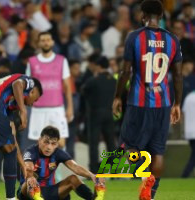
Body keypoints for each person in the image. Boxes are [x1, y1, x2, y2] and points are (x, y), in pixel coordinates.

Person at [112, 1, 183, 200]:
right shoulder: (173, 39)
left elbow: (125, 71)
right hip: (163, 103)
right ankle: (149, 192)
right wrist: (177, 103)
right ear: (161, 15)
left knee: (127, 146)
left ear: (142, 15)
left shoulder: (135, 37)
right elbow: (177, 76)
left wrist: (118, 96)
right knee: (158, 151)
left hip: (138, 102)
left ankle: (131, 174)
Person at [17, 126, 105, 200]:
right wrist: (30, 177)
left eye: (53, 143)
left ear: (57, 144)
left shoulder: (58, 153)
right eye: (46, 142)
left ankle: (93, 198)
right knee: (31, 180)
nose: (49, 147)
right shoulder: (30, 152)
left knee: (73, 179)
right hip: (28, 193)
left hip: (50, 191)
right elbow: (28, 168)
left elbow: (75, 167)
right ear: (39, 140)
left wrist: (92, 175)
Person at [27, 31, 74, 149]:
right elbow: (28, 86)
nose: (46, 42)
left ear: (52, 42)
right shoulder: (32, 62)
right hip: (38, 110)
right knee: (41, 145)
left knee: (60, 143)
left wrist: (70, 107)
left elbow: (67, 86)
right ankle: (44, 168)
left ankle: (56, 167)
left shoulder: (61, 60)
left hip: (57, 108)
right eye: (43, 40)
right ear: (38, 43)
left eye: (48, 40)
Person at [82, 56, 117, 173]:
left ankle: (94, 171)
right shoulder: (113, 80)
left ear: (98, 66)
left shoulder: (93, 80)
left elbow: (83, 91)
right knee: (111, 143)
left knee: (94, 143)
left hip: (95, 113)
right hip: (109, 113)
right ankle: (114, 169)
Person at [182, 91, 195, 178]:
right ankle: (184, 176)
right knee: (193, 157)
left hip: (189, 132)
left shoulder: (188, 97)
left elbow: (183, 113)